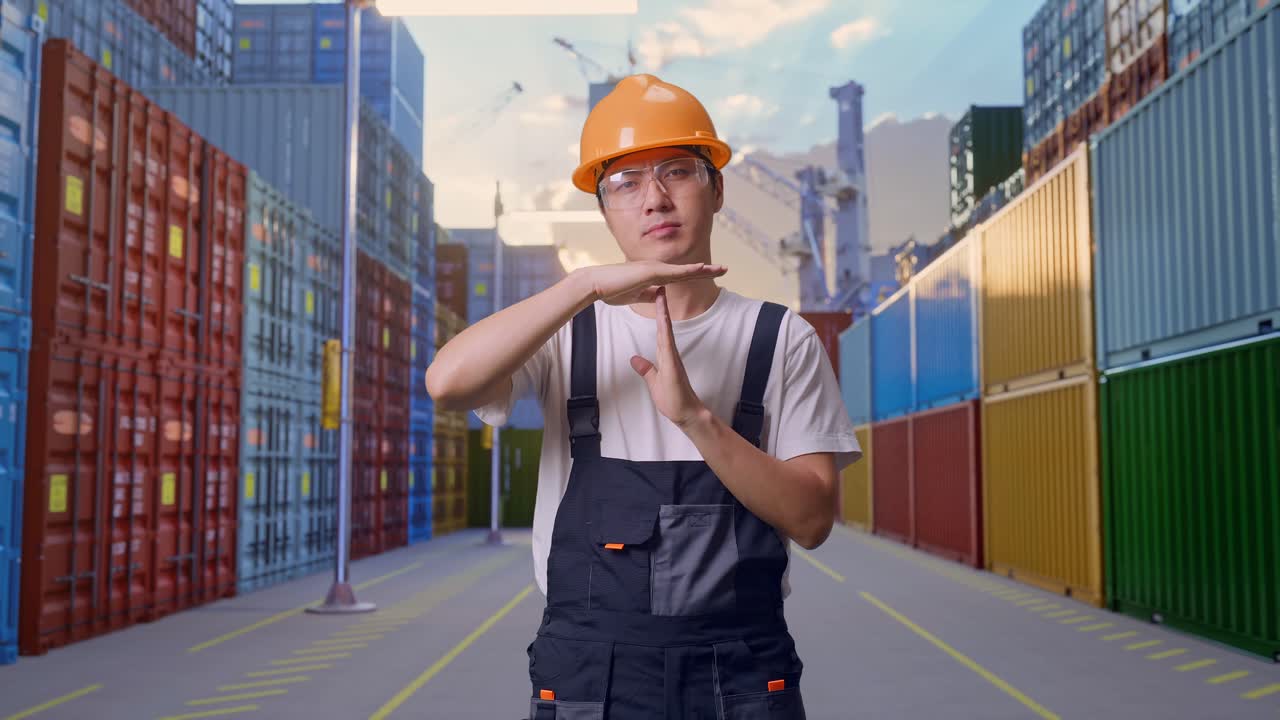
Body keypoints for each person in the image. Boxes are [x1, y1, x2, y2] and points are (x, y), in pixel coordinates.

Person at [425, 73, 861, 720]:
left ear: (716, 190)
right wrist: (586, 286)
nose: (654, 198)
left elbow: (812, 522)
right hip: (589, 680)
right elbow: (447, 383)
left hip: (740, 677)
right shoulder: (565, 334)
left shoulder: (780, 338)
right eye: (625, 183)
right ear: (604, 211)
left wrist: (697, 419)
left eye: (677, 171)